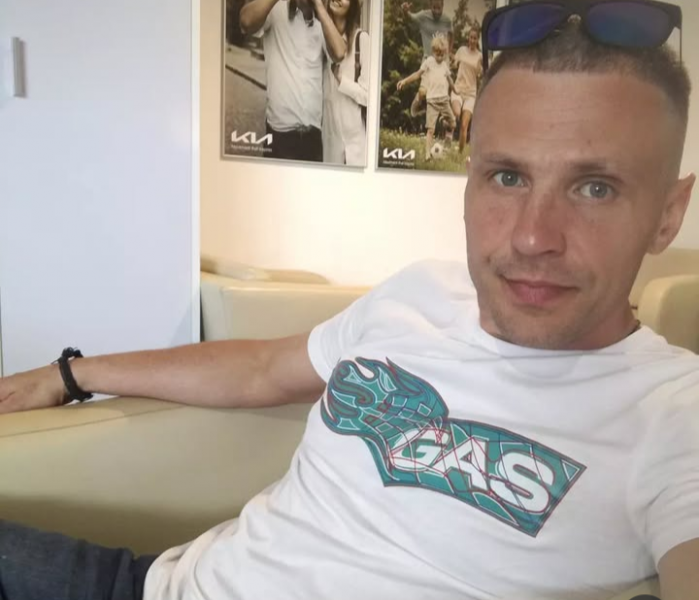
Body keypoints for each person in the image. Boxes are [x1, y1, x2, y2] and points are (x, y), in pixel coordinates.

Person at [1, 3, 699, 599]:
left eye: (595, 187)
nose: (533, 236)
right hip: (152, 583)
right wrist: (68, 373)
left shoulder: (671, 414)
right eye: (507, 177)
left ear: (667, 215)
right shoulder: (420, 292)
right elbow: (260, 370)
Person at [239, 0, 346, 162]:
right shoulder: (276, 11)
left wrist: (318, 6)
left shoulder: (322, 22)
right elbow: (246, 21)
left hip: (313, 139)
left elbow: (339, 53)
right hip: (280, 136)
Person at [321, 0, 370, 166]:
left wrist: (342, 80)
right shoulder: (321, 37)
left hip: (356, 147)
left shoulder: (361, 40)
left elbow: (369, 97)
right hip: (330, 144)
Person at [397, 35, 456, 161]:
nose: (440, 57)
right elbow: (417, 74)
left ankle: (443, 119)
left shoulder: (444, 65)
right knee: (430, 129)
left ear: (445, 53)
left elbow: (450, 80)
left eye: (442, 54)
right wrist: (405, 81)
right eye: (437, 54)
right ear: (433, 51)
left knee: (453, 123)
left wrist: (455, 90)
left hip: (444, 101)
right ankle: (427, 154)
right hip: (432, 101)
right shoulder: (429, 62)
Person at [401, 0, 453, 117]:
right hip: (428, 59)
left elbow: (451, 34)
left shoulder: (447, 20)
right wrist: (405, 11)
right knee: (423, 92)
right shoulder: (423, 16)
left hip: (443, 61)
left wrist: (449, 51)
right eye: (434, 8)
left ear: (443, 6)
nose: (436, 11)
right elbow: (410, 18)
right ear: (430, 6)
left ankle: (443, 117)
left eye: (439, 8)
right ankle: (419, 100)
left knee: (443, 90)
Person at [451, 26, 482, 153]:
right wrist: (453, 63)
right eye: (471, 37)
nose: (472, 40)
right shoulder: (461, 51)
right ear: (468, 38)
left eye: (475, 38)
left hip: (470, 94)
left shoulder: (480, 56)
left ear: (478, 40)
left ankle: (459, 153)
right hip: (458, 90)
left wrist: (481, 68)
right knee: (457, 113)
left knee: (464, 125)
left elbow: (480, 74)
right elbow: (454, 64)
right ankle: (447, 126)